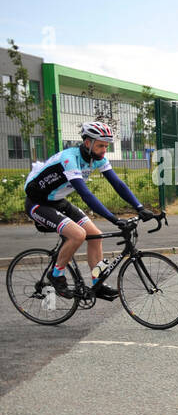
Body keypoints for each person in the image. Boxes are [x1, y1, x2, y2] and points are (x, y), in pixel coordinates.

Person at [24, 121, 156, 300]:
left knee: (96, 235)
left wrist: (140, 207)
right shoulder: (69, 158)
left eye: (106, 146)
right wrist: (114, 219)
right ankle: (55, 275)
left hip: (58, 201)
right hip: (37, 203)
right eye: (101, 145)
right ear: (88, 143)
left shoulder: (98, 158)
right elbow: (86, 194)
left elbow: (117, 184)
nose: (104, 150)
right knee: (78, 235)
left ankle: (97, 283)